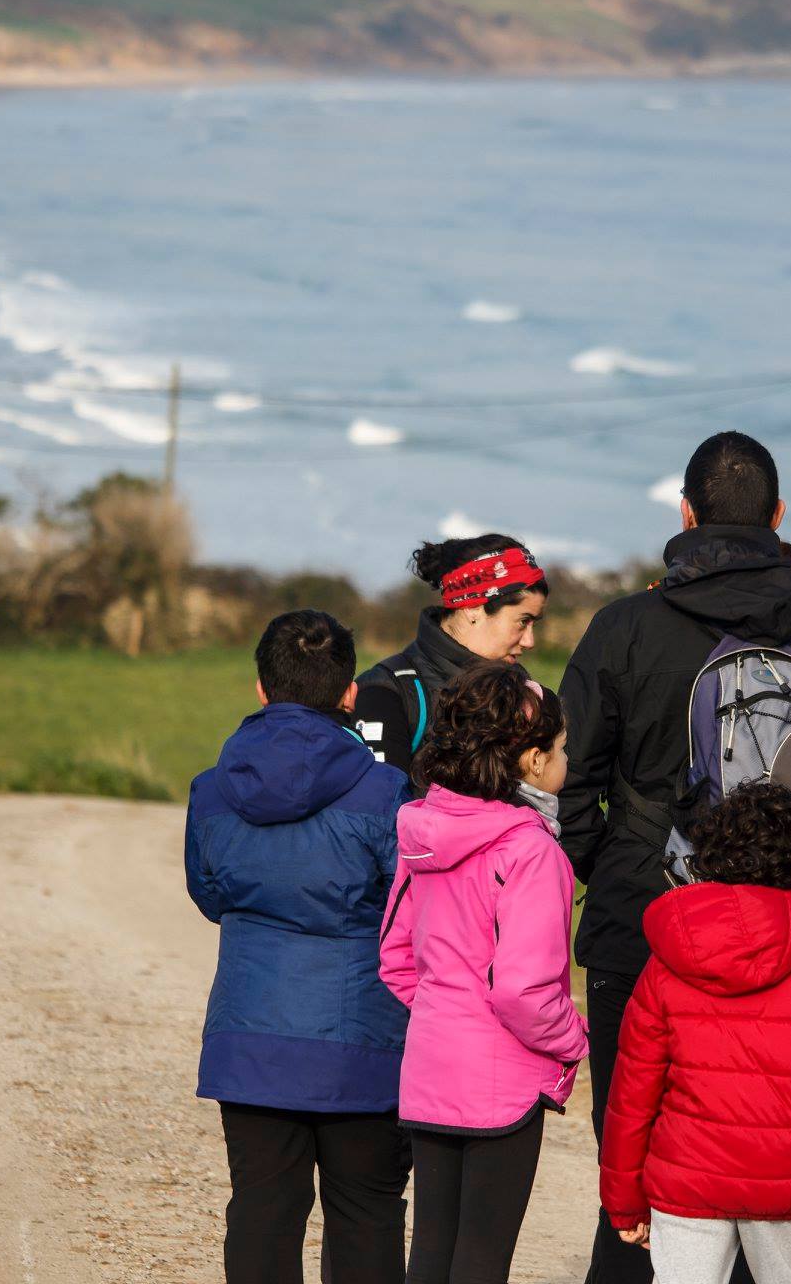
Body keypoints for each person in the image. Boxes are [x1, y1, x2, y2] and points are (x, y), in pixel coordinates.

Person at [560, 431, 791, 1284]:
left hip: (645, 929)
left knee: (636, 1164)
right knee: (774, 1174)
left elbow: (569, 779)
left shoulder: (624, 629)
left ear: (685, 515)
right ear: (781, 518)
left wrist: (614, 868)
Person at [185, 609, 414, 1284]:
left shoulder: (211, 791)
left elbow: (210, 897)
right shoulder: (385, 792)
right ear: (350, 694)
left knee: (262, 1212)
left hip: (250, 1038)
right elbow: (406, 913)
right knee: (367, 1213)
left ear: (260, 687)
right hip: (363, 1043)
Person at [599, 781, 791, 1284]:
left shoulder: (670, 956)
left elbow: (633, 1090)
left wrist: (624, 1200)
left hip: (685, 1176)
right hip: (786, 1182)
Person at [379, 662, 589, 1284]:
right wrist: (575, 1040)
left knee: (434, 1251)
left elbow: (394, 956)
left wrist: (448, 1013)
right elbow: (523, 992)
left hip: (431, 1065)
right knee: (482, 1258)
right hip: (504, 1084)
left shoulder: (424, 833)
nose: (567, 760)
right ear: (529, 760)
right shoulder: (534, 851)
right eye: (561, 748)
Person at [353, 534, 549, 770]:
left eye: (534, 624)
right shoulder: (385, 694)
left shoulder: (525, 690)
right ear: (474, 607)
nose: (530, 641)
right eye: (523, 621)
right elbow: (378, 801)